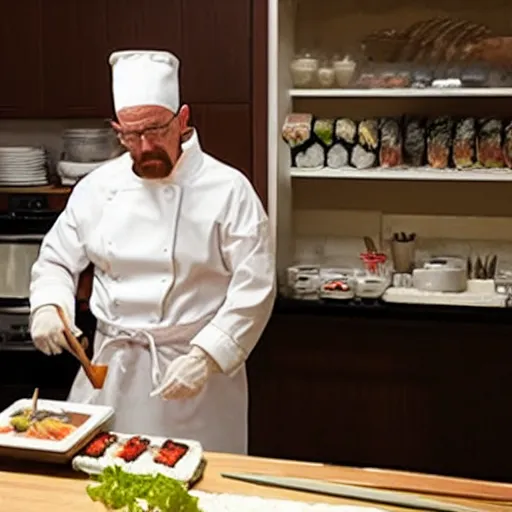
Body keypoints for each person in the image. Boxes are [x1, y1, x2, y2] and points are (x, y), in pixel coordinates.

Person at [29, 50, 276, 454]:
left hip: (194, 375)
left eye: (155, 130)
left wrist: (207, 356)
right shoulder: (97, 188)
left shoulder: (229, 190)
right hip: (109, 372)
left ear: (182, 120)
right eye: (130, 135)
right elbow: (56, 259)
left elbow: (256, 287)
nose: (144, 146)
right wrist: (47, 306)